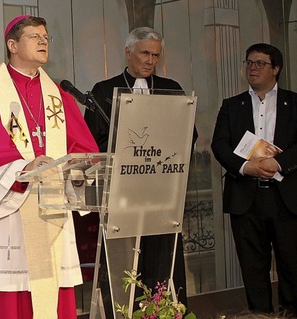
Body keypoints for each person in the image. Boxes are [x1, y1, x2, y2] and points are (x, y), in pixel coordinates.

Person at [0, 15, 99, 318]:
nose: (43, 41)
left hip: (51, 205)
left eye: (46, 37)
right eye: (35, 36)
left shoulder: (59, 95)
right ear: (12, 44)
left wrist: (80, 167)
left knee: (50, 283)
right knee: (9, 289)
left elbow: (82, 147)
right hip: (11, 206)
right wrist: (24, 167)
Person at [83, 27, 196, 307]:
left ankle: (165, 310)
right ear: (128, 52)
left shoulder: (172, 89)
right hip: (121, 197)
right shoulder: (104, 91)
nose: (150, 60)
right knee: (124, 266)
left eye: (155, 55)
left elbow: (187, 135)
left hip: (161, 195)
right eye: (144, 53)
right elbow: (92, 141)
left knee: (162, 261)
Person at [212, 43, 297, 316]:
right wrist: (245, 167)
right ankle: (260, 315)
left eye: (260, 63)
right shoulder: (231, 105)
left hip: (286, 197)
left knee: (292, 264)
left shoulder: (294, 103)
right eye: (249, 62)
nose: (253, 68)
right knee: (252, 265)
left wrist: (278, 163)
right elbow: (220, 145)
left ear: (276, 69)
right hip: (245, 198)